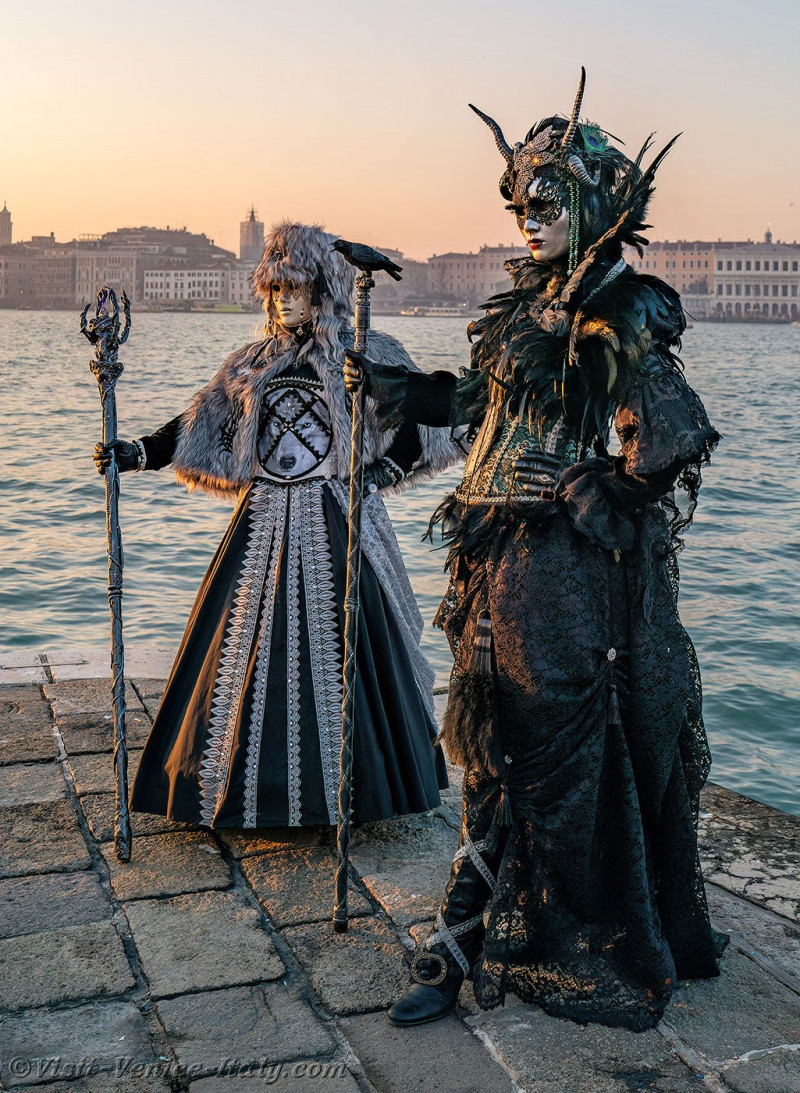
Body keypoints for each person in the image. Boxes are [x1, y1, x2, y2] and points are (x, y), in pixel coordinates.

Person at [345, 71, 724, 1032]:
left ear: (589, 204)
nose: (528, 218)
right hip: (491, 556)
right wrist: (393, 388)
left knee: (520, 751)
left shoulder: (620, 304)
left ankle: (452, 948)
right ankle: (463, 938)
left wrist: (591, 484)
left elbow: (671, 434)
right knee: (489, 740)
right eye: (519, 204)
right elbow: (476, 406)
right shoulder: (524, 309)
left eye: (546, 202)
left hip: (559, 574)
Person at [94, 221, 461, 829]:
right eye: (274, 290)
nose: (282, 301)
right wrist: (137, 452)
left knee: (351, 645)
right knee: (241, 649)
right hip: (262, 518)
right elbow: (199, 425)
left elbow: (417, 427)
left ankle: (353, 791)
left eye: (295, 288)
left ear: (323, 290)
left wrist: (377, 475)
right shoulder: (250, 362)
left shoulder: (365, 351)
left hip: (338, 519)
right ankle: (239, 791)